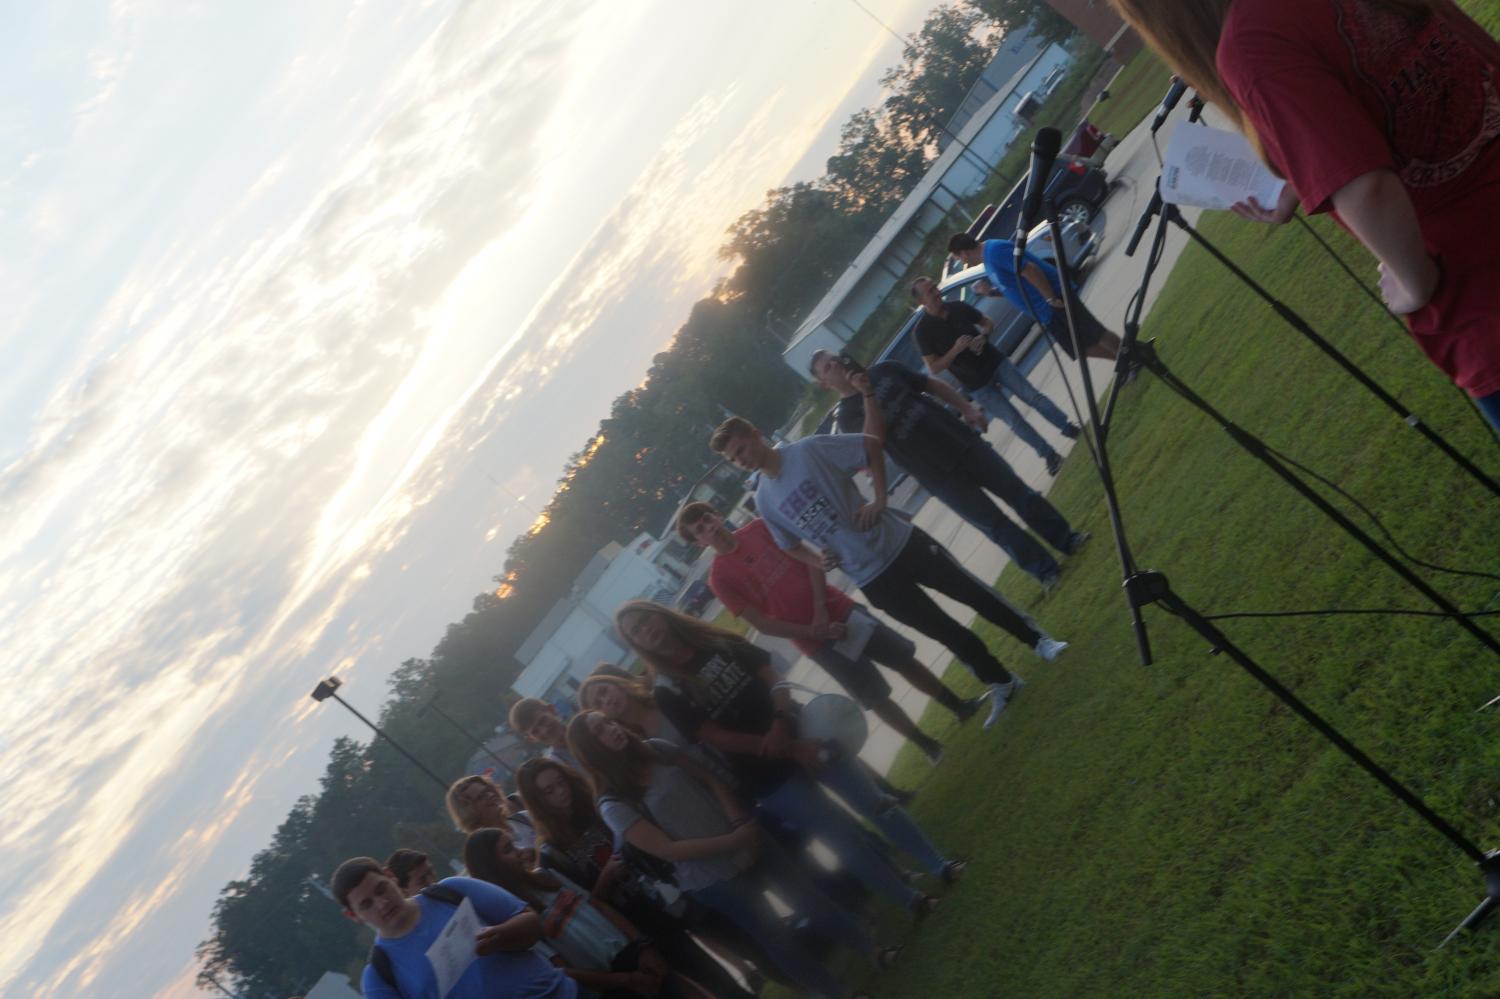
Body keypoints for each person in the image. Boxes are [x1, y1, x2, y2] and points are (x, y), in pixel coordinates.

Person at [1109, 0, 1500, 430]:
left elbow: (1368, 188)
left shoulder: (1251, 44)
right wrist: (1301, 174)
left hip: (1479, 294)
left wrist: (1413, 282)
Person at [709, 416, 1067, 722]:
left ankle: (1040, 641)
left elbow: (869, 447)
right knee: (942, 629)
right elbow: (790, 545)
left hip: (901, 543)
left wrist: (880, 499)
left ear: (755, 434)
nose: (740, 460)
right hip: (870, 576)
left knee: (974, 595)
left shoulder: (808, 450)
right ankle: (1002, 681)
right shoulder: (764, 500)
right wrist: (818, 559)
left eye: (740, 449)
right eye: (732, 459)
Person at [614, 600, 965, 910]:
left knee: (877, 803)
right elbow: (714, 736)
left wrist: (782, 720)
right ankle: (911, 900)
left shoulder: (714, 639)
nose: (646, 631)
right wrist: (785, 746)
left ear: (660, 615)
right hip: (768, 775)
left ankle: (938, 865)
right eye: (637, 632)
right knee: (842, 837)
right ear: (637, 645)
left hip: (806, 732)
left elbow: (771, 674)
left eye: (646, 620)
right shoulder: (666, 690)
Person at [567, 710, 882, 999]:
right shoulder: (612, 804)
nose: (611, 729)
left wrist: (741, 824)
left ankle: (872, 950)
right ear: (592, 750)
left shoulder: (656, 749)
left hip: (747, 836)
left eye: (608, 722)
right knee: (774, 936)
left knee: (809, 897)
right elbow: (667, 849)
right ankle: (836, 993)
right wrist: (735, 842)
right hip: (712, 878)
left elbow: (709, 777)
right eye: (599, 732)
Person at [675, 500, 984, 756]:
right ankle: (928, 746)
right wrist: (815, 632)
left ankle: (959, 707)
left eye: (707, 518)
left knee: (902, 659)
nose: (708, 527)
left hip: (840, 610)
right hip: (816, 644)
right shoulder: (720, 578)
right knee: (874, 695)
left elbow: (809, 559)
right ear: (699, 543)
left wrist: (822, 610)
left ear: (718, 514)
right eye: (699, 530)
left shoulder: (760, 527)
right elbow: (762, 623)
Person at [810, 349, 1089, 593]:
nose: (836, 364)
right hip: (936, 474)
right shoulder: (846, 417)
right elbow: (875, 441)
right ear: (824, 384)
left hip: (961, 441)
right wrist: (867, 393)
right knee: (995, 524)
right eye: (828, 367)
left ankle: (1067, 539)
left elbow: (931, 385)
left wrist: (967, 408)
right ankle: (1045, 571)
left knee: (1019, 493)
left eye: (836, 358)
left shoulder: (886, 369)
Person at [514, 757, 759, 999]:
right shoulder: (551, 854)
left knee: (743, 942)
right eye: (549, 790)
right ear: (538, 802)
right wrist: (607, 877)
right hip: (638, 923)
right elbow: (587, 909)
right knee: (705, 977)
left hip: (672, 893)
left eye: (561, 781)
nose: (560, 792)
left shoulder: (595, 809)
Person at [463, 825, 714, 998]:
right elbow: (558, 968)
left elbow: (597, 905)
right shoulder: (513, 918)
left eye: (513, 844)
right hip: (605, 982)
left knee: (686, 989)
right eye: (508, 850)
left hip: (630, 951)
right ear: (491, 866)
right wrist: (624, 981)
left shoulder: (546, 876)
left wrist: (643, 944)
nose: (519, 851)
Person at [331, 856, 576, 999]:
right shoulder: (378, 977)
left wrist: (501, 936)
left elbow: (532, 923)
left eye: (381, 888)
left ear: (390, 875)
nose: (381, 903)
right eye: (366, 904)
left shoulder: (452, 890)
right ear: (353, 915)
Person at [910, 274, 1081, 474]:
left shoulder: (957, 306)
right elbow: (934, 367)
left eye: (935, 287)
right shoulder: (922, 332)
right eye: (930, 291)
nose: (937, 292)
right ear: (921, 301)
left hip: (995, 362)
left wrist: (983, 336)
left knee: (1032, 397)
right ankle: (1049, 455)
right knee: (1013, 420)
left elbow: (987, 322)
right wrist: (955, 350)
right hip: (976, 384)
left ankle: (1068, 428)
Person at [948, 232, 1122, 364]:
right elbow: (1013, 287)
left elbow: (1029, 269)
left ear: (963, 253)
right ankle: (1125, 359)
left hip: (1052, 301)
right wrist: (991, 292)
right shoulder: (988, 260)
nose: (963, 263)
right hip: (1044, 311)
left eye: (959, 258)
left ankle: (1129, 356)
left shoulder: (995, 251)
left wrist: (1051, 298)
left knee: (1094, 333)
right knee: (1079, 348)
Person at [448, 773, 539, 854]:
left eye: (487, 790)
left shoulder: (525, 817)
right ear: (469, 812)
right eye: (480, 797)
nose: (490, 795)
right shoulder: (489, 854)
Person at [511, 698, 583, 769]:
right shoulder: (557, 767)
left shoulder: (588, 726)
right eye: (535, 731)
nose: (544, 731)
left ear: (552, 710)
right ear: (531, 738)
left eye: (543, 720)